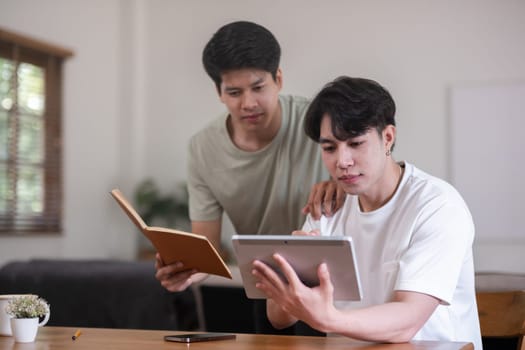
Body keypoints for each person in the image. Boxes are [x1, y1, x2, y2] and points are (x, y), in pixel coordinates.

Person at [251, 76, 482, 348]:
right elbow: (278, 319)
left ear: (387, 138)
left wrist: (329, 319)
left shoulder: (437, 205)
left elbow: (408, 319)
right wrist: (295, 273)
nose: (342, 161)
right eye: (329, 148)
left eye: (355, 143)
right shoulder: (327, 207)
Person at [155, 21, 343, 334]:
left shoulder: (319, 123)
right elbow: (207, 246)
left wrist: (342, 184)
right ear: (218, 93)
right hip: (266, 288)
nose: (249, 103)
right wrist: (186, 271)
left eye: (258, 87)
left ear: (278, 79)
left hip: (331, 285)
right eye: (234, 92)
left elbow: (372, 174)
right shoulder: (202, 149)